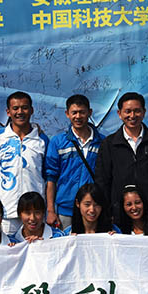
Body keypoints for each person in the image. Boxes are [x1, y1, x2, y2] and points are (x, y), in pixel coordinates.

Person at [95, 92, 148, 224]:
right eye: (128, 111)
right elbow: (102, 181)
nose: (132, 116)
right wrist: (108, 211)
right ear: (119, 114)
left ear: (144, 112)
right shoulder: (109, 144)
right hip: (119, 215)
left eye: (137, 111)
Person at [0, 91, 49, 235]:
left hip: (34, 212)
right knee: (8, 248)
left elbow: (49, 175)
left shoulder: (42, 139)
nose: (20, 112)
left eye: (24, 108)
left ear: (31, 110)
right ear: (8, 112)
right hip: (7, 210)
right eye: (15, 108)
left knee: (35, 248)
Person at [45, 94, 104, 229]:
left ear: (89, 112)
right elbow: (51, 179)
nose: (78, 116)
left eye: (82, 112)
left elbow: (107, 178)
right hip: (66, 210)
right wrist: (51, 211)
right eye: (74, 112)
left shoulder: (102, 142)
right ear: (67, 114)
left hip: (92, 209)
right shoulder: (57, 142)